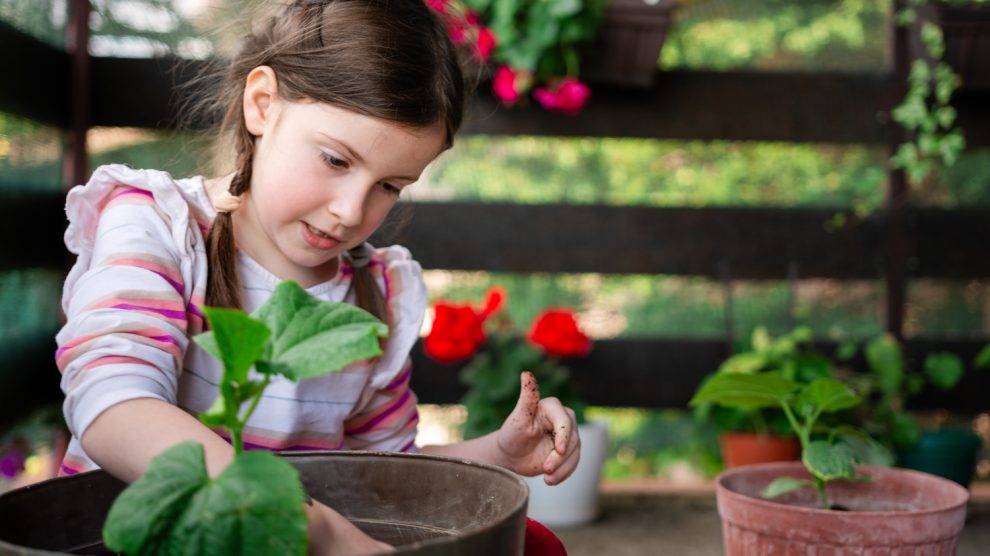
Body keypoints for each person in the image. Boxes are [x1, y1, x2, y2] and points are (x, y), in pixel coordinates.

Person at [54, 0, 580, 554]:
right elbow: (113, 407)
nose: (352, 211)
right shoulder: (157, 225)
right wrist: (314, 526)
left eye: (390, 185)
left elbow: (378, 478)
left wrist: (497, 454)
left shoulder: (377, 292)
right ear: (263, 105)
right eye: (335, 160)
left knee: (537, 545)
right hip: (153, 539)